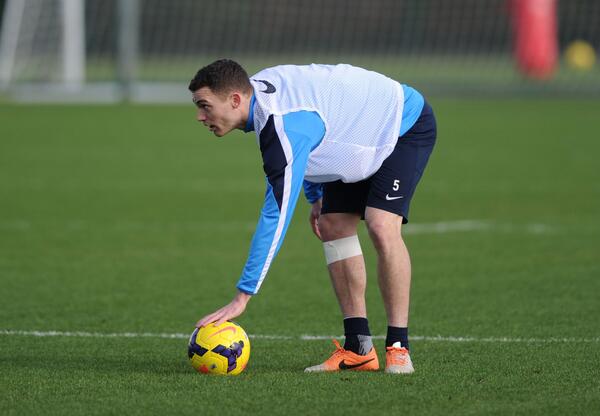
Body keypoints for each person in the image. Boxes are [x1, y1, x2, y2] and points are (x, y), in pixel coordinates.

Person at [190, 59, 437, 374]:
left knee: (381, 224)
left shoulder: (281, 122)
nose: (200, 116)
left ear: (235, 99)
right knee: (332, 224)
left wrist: (243, 295)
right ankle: (358, 348)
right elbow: (306, 142)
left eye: (205, 106)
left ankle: (398, 347)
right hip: (352, 131)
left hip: (401, 122)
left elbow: (276, 215)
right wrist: (316, 198)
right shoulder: (260, 103)